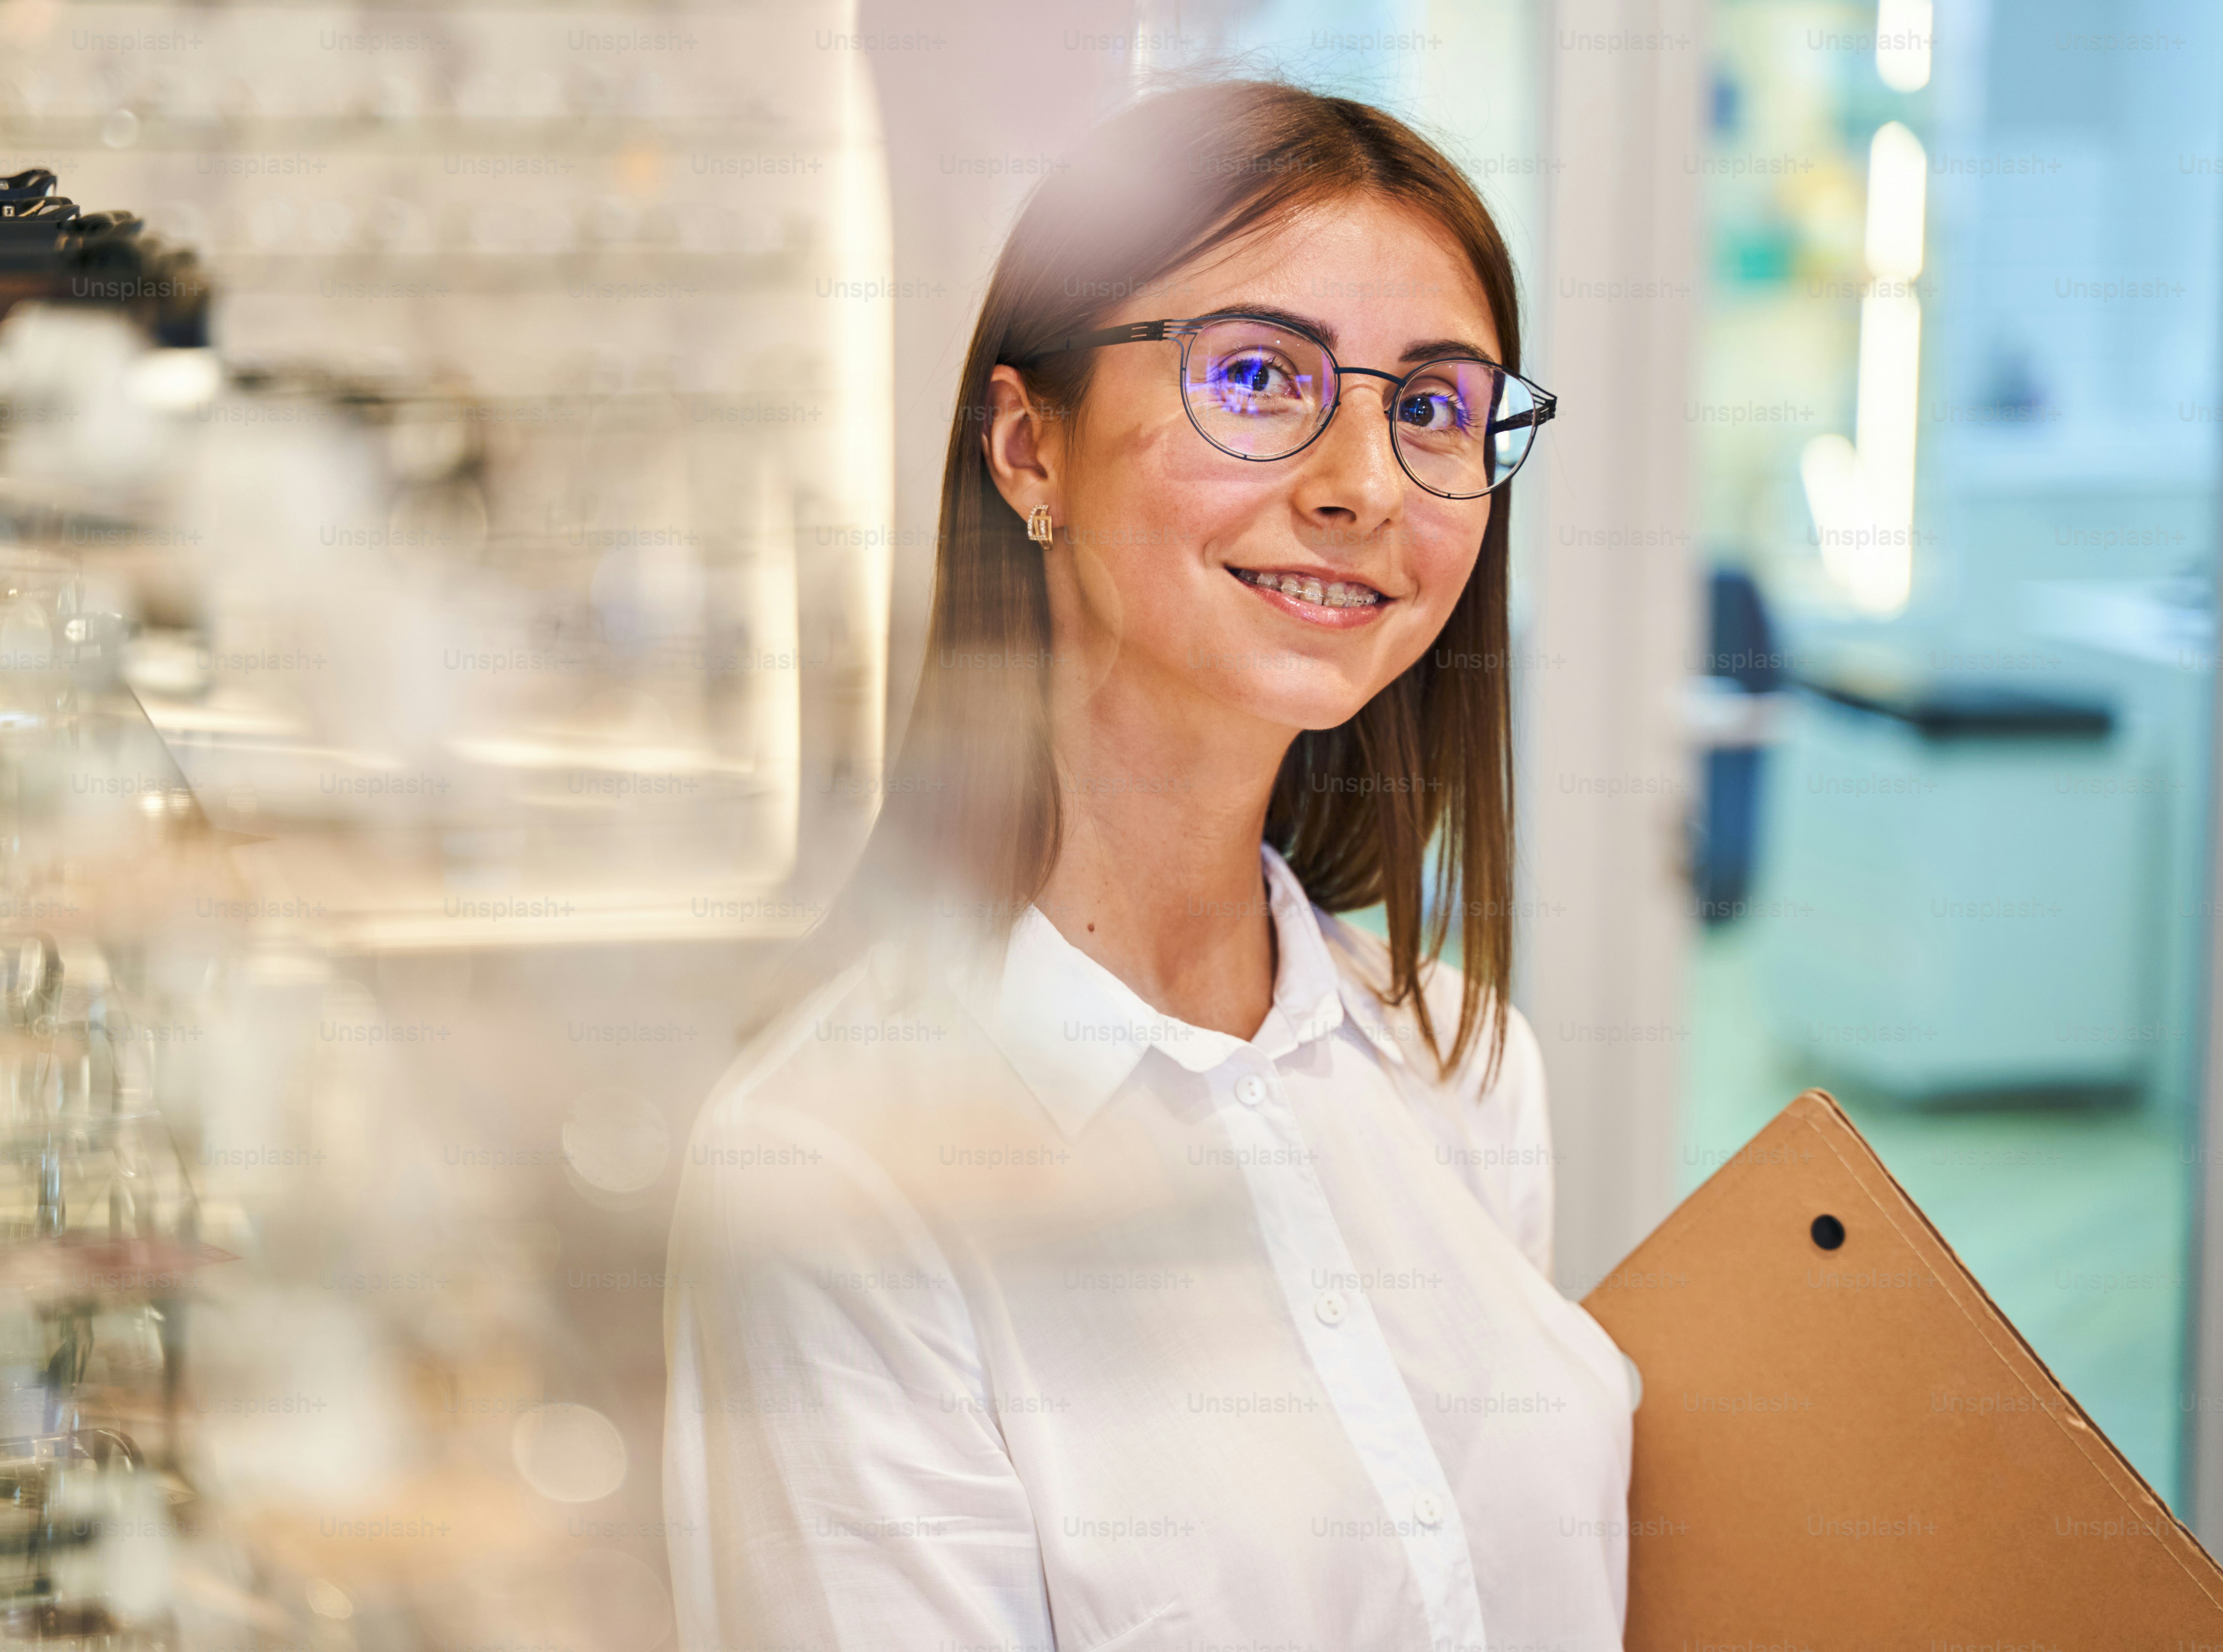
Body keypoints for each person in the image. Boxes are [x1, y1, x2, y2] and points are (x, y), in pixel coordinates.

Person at [663, 79, 1636, 1652]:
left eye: (1437, 408)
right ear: (1028, 444)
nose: (1367, 486)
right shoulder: (831, 1174)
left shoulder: (1463, 1069)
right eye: (1259, 375)